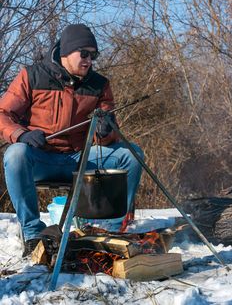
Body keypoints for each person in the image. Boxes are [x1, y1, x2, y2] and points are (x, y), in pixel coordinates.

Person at [0, 24, 143, 257]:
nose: (89, 60)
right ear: (67, 52)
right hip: (40, 158)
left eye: (93, 55)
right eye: (84, 54)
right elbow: (3, 114)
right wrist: (22, 134)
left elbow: (110, 129)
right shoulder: (32, 75)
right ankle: (33, 233)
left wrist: (106, 130)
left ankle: (109, 229)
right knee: (15, 153)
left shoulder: (99, 84)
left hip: (80, 157)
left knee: (131, 155)